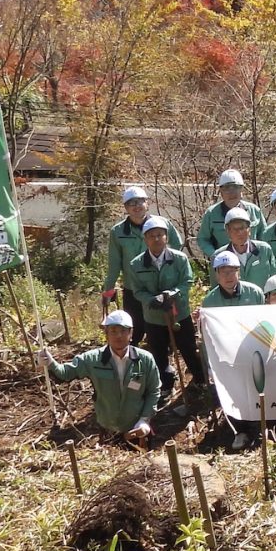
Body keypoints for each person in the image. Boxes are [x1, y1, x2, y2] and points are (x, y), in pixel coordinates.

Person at [45, 310, 160, 445]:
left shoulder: (145, 360)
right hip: (108, 428)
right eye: (113, 331)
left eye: (123, 331)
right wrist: (50, 363)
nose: (119, 336)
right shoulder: (92, 359)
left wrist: (144, 420)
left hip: (137, 429)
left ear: (131, 333)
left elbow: (154, 391)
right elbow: (66, 373)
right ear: (106, 333)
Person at [99, 185, 182, 361]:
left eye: (140, 202)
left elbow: (176, 247)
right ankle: (132, 362)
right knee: (134, 327)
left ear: (147, 203)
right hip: (133, 289)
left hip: (160, 288)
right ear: (125, 208)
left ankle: (164, 365)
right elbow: (114, 263)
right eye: (131, 203)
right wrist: (109, 289)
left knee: (161, 330)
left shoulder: (162, 224)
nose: (136, 206)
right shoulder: (118, 231)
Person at [124, 217, 205, 394]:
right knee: (159, 353)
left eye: (160, 235)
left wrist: (172, 294)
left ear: (166, 237)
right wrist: (152, 299)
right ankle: (166, 385)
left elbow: (187, 281)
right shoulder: (136, 264)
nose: (156, 239)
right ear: (145, 239)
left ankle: (200, 380)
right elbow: (137, 290)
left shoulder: (180, 259)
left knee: (189, 349)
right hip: (153, 317)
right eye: (152, 235)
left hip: (179, 314)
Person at [196, 169, 265, 261]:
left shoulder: (254, 211)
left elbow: (264, 235)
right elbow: (203, 239)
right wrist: (215, 255)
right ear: (220, 191)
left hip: (252, 261)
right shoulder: (212, 213)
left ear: (242, 189)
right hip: (224, 265)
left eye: (235, 187)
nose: (231, 193)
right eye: (226, 188)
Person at [194, 249, 266, 318]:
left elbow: (264, 319)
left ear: (239, 272)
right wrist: (200, 319)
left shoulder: (255, 293)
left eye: (232, 271)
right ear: (217, 275)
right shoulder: (210, 301)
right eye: (223, 272)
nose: (228, 276)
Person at [220, 209, 276, 291]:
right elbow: (217, 289)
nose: (239, 233)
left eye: (242, 228)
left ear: (249, 229)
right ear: (228, 231)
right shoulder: (219, 256)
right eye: (235, 229)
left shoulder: (264, 249)